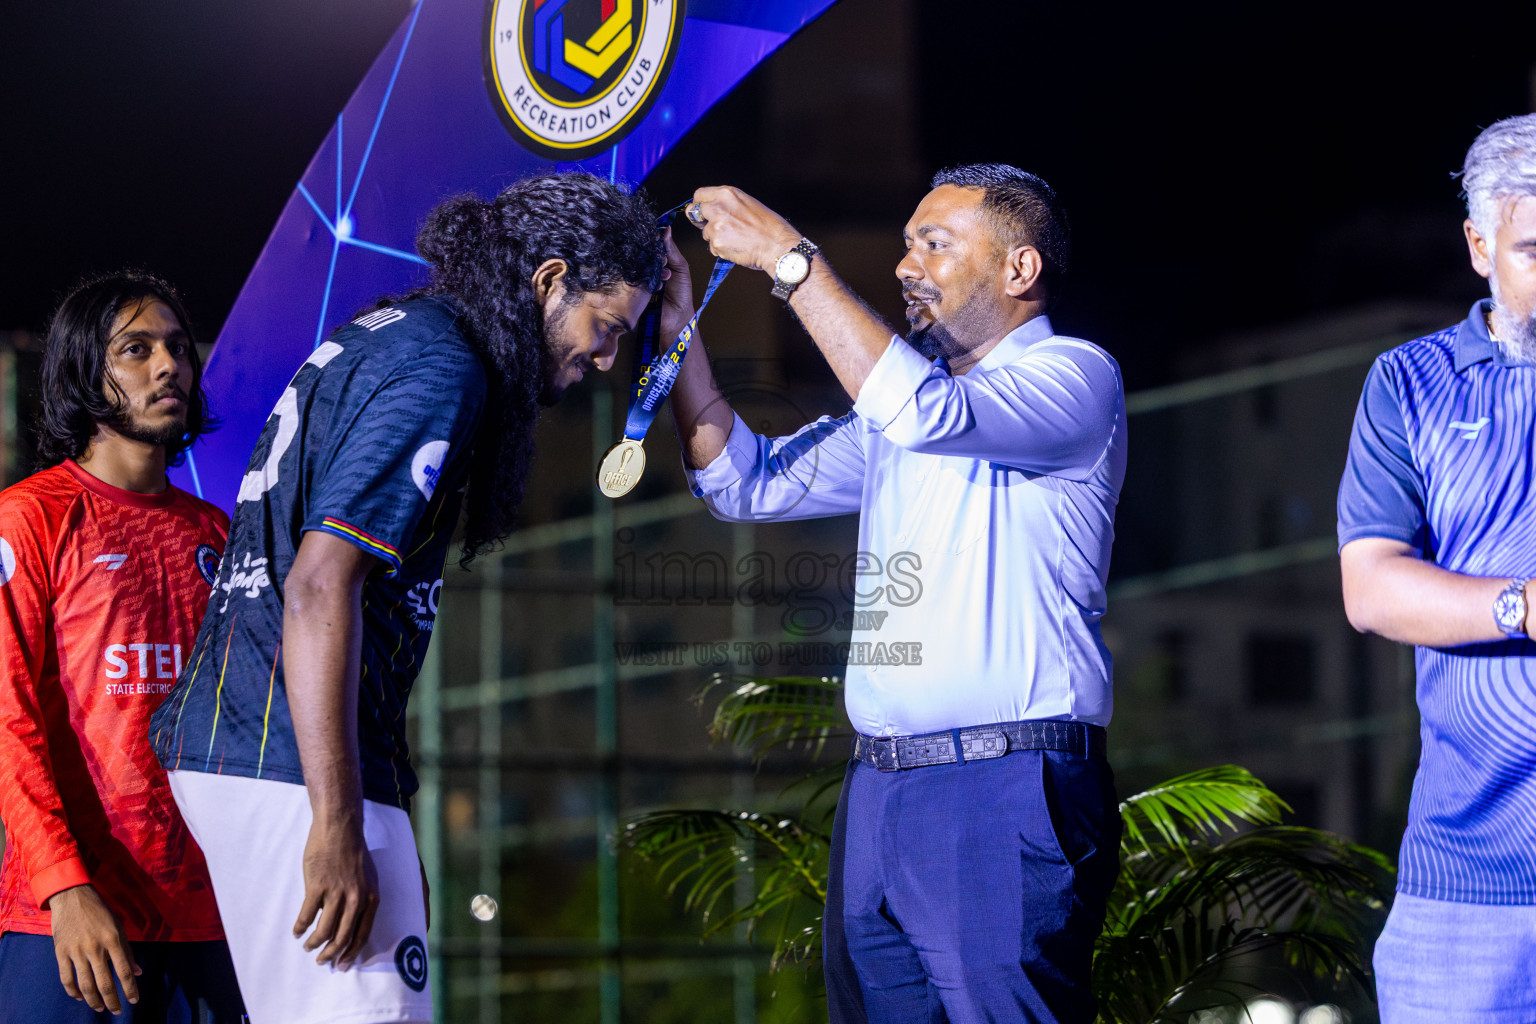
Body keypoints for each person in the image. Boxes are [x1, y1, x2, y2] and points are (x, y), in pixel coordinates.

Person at [148, 172, 671, 1024]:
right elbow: (320, 581)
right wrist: (338, 822)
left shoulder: (394, 334)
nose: (607, 358)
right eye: (605, 327)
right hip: (286, 755)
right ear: (547, 280)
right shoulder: (443, 368)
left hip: (258, 742)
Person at [670, 164, 1126, 1023]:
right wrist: (676, 330)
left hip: (1006, 778)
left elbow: (924, 416)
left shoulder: (1075, 376)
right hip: (879, 792)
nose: (906, 265)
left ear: (1019, 271)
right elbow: (747, 484)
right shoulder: (905, 410)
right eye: (907, 243)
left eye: (936, 243)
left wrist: (790, 261)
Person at [0, 273, 245, 1023]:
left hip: (210, 920)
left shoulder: (218, 535)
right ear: (84, 371)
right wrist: (64, 887)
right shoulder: (28, 519)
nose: (169, 364)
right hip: (72, 923)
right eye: (136, 350)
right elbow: (7, 723)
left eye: (176, 346)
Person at [1338, 113, 1536, 1022]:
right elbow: (1371, 585)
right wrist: (1522, 607)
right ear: (1478, 245)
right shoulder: (1409, 382)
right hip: (1470, 884)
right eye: (1535, 249)